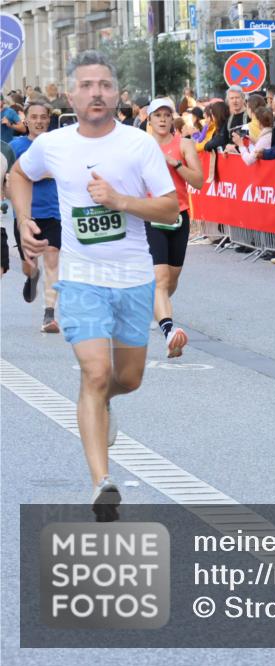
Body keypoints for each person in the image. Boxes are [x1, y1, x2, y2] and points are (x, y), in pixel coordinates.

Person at [8, 50, 179, 521]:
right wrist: (23, 220)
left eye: (104, 84)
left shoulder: (138, 145)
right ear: (71, 94)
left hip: (133, 277)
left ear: (117, 93)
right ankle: (102, 483)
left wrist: (122, 200)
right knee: (95, 373)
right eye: (86, 85)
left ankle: (101, 406)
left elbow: (170, 210)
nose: (96, 92)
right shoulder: (55, 144)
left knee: (127, 379)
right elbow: (18, 174)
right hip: (81, 279)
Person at [146, 98, 204, 358]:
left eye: (166, 115)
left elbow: (199, 181)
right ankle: (169, 330)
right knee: (160, 278)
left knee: (172, 278)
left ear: (172, 119)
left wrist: (176, 165)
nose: (161, 119)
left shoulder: (184, 144)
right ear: (149, 119)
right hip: (151, 214)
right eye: (156, 115)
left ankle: (157, 308)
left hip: (178, 215)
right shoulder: (142, 147)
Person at [11, 100, 62, 332]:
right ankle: (32, 277)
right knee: (29, 264)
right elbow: (12, 177)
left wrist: (36, 174)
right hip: (25, 215)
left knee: (53, 258)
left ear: (48, 120)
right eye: (34, 117)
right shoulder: (16, 146)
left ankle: (49, 315)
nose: (39, 121)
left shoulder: (57, 144)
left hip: (53, 211)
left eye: (43, 117)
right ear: (26, 120)